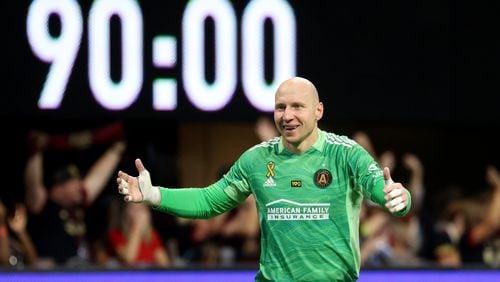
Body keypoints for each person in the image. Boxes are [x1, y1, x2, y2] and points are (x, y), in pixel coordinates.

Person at [116, 77, 412, 281]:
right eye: (281, 107)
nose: (287, 115)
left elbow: (380, 188)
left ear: (318, 110)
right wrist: (155, 195)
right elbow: (209, 200)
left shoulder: (346, 154)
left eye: (298, 106)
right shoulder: (257, 159)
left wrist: (399, 197)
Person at [25, 130, 126, 267]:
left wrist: (116, 149)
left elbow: (97, 179)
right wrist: (36, 151)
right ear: (59, 187)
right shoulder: (43, 205)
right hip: (53, 274)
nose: (81, 185)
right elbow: (33, 183)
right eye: (75, 182)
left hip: (80, 270)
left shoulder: (78, 206)